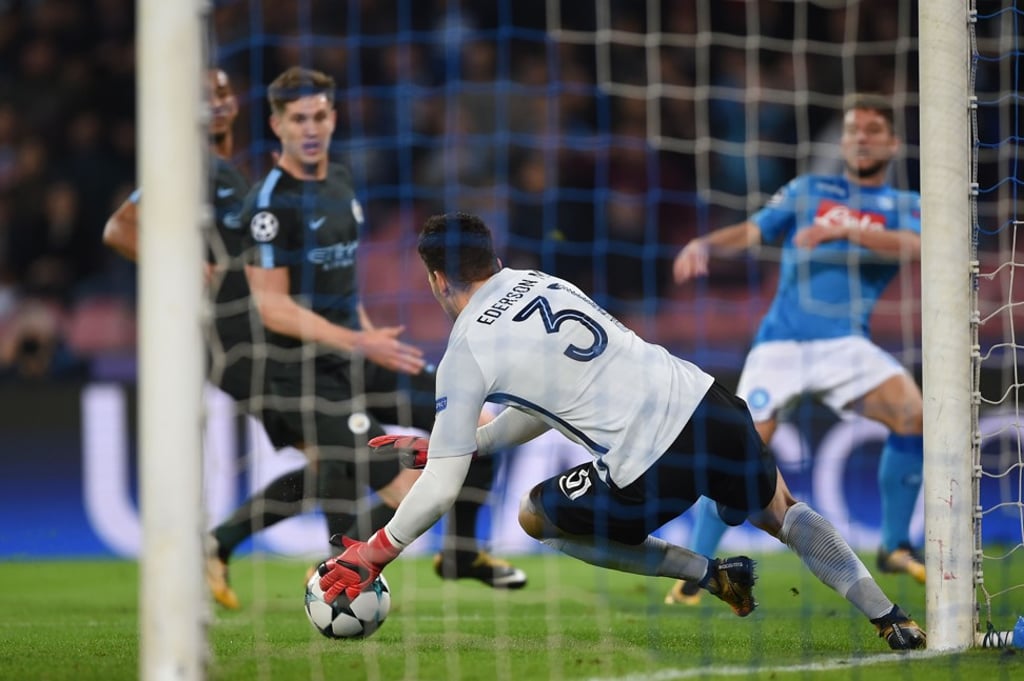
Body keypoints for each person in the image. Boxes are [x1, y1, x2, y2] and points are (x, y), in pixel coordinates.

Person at [316, 211, 926, 651]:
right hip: (707, 400)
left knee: (536, 518)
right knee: (782, 510)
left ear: (435, 280)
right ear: (494, 259)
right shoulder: (544, 282)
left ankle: (708, 573)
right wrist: (470, 441)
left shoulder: (465, 350)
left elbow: (444, 487)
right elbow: (543, 403)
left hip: (648, 463)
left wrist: (374, 552)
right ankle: (891, 617)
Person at [101, 69, 448, 611]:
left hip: (275, 344)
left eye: (221, 92)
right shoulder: (189, 166)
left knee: (333, 462)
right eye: (202, 95)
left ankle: (226, 546)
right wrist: (181, 262)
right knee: (367, 468)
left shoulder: (234, 176)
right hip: (246, 350)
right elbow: (119, 227)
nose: (216, 102)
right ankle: (341, 568)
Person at [237, 66, 526, 600]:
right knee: (398, 479)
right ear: (276, 125)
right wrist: (358, 341)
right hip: (304, 373)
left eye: (320, 116)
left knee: (482, 421)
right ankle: (340, 567)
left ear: (334, 118)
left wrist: (376, 342)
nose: (311, 128)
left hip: (357, 356)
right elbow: (272, 308)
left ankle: (458, 553)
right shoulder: (269, 206)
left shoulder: (341, 185)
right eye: (298, 118)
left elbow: (341, 294)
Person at [665, 92, 925, 605]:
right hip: (781, 344)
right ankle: (696, 572)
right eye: (853, 130)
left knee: (912, 415)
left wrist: (847, 230)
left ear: (893, 143)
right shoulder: (809, 190)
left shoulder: (905, 206)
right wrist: (707, 244)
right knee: (739, 456)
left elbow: (916, 247)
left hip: (845, 344)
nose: (862, 138)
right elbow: (755, 228)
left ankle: (894, 544)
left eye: (873, 130)